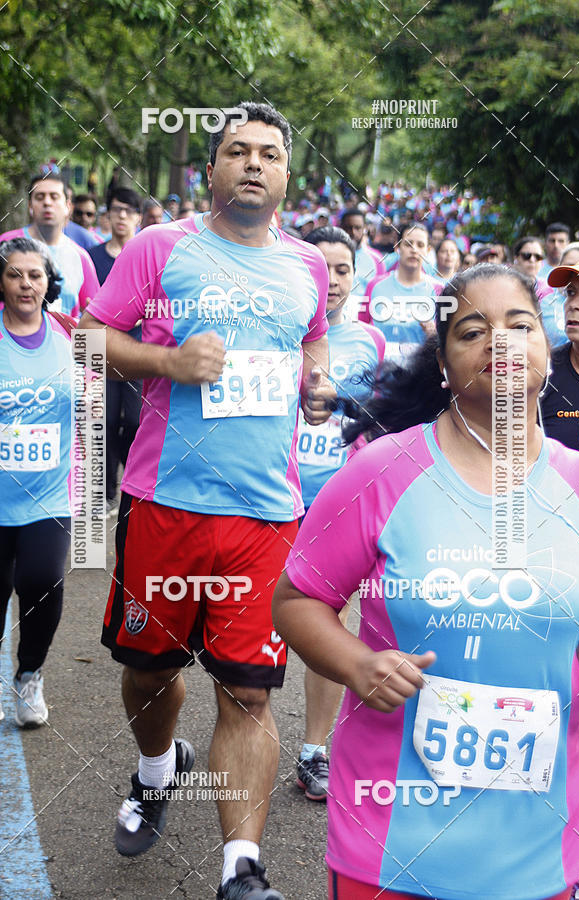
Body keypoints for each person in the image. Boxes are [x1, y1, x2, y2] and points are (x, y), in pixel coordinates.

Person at [274, 263, 579, 900]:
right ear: (445, 365)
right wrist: (357, 665)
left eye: (520, 325)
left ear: (547, 351)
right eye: (473, 330)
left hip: (534, 844)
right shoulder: (383, 471)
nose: (500, 342)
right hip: (391, 833)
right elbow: (297, 598)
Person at [79, 100, 333, 900]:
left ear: (288, 175)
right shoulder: (163, 246)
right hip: (166, 503)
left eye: (268, 153)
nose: (253, 163)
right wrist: (167, 363)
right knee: (148, 673)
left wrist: (316, 380)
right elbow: (90, 341)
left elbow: (314, 334)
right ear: (211, 170)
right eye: (237, 151)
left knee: (248, 691)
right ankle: (157, 771)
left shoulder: (309, 265)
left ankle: (241, 870)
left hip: (267, 515)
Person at [295, 225, 385, 802]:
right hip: (270, 496)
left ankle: (312, 751)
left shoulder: (371, 341)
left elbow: (380, 410)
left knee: (327, 621)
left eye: (345, 268)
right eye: (323, 267)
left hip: (339, 500)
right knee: (252, 624)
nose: (333, 279)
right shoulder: (279, 327)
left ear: (357, 277)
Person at [539, 250, 579, 900]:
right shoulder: (541, 380)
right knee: (550, 719)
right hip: (547, 575)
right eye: (570, 293)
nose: (574, 304)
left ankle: (568, 868)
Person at [0, 237, 73, 727]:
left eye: (35, 275)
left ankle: (29, 676)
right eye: (14, 274)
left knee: (42, 581)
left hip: (49, 494)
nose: (26, 283)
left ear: (49, 284)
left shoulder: (71, 332)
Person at [88, 188, 143, 516]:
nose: (121, 216)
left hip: (139, 354)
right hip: (101, 354)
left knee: (136, 422)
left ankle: (132, 480)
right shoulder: (93, 257)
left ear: (138, 216)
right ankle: (107, 491)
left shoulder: (145, 254)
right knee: (104, 420)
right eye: (116, 210)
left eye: (128, 210)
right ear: (107, 216)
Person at [0, 175, 99, 317]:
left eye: (54, 197)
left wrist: (81, 340)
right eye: (40, 197)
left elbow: (92, 317)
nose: (47, 202)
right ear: (30, 205)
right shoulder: (6, 244)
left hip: (67, 338)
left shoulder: (81, 257)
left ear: (68, 206)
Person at [360, 222, 441, 364]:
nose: (414, 250)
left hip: (420, 374)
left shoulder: (439, 290)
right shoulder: (375, 286)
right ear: (397, 247)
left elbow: (448, 342)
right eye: (408, 244)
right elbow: (360, 329)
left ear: (428, 250)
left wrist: (434, 335)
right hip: (379, 374)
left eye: (420, 245)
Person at [512, 236, 562, 346]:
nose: (532, 260)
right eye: (526, 256)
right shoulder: (503, 287)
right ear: (516, 258)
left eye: (538, 257)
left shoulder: (552, 289)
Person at [340, 208, 385, 294]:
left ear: (364, 229)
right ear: (341, 228)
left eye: (357, 228)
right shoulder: (331, 256)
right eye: (348, 228)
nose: (353, 232)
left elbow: (381, 293)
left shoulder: (376, 260)